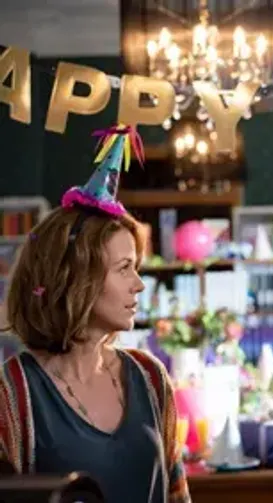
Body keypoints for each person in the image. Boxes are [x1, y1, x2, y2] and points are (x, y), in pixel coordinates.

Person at [0, 126, 191, 503]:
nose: (139, 284)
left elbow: (177, 493)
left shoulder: (150, 377)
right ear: (76, 279)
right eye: (124, 268)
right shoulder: (12, 391)